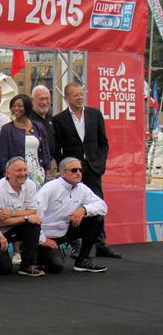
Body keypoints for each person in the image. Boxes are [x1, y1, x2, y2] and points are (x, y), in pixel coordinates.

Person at [52, 82, 119, 259]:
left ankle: (101, 244)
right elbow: (56, 148)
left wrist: (99, 164)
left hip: (93, 168)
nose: (80, 97)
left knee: (97, 204)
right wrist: (64, 168)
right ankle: (76, 244)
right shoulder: (59, 119)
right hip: (72, 171)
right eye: (76, 95)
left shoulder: (95, 114)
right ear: (67, 98)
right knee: (72, 205)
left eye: (81, 94)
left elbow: (103, 142)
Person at [35, 157, 108, 273]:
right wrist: (42, 238)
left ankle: (82, 260)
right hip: (47, 235)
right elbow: (36, 216)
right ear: (63, 173)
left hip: (66, 231)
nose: (78, 173)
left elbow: (103, 206)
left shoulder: (82, 188)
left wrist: (84, 209)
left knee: (97, 218)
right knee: (56, 267)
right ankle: (37, 255)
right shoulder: (49, 188)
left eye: (80, 170)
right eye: (74, 170)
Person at [0, 157, 44, 277]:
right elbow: (2, 222)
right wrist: (25, 217)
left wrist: (12, 213)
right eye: (18, 170)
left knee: (34, 224)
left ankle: (28, 265)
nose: (23, 173)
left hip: (15, 227)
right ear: (8, 174)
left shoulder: (31, 185)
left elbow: (33, 211)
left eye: (25, 170)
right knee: (4, 268)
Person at [0, 94, 50, 185]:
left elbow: (45, 151)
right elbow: (3, 156)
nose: (16, 109)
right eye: (13, 106)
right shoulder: (7, 129)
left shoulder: (38, 126)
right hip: (17, 173)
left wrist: (47, 170)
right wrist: (6, 175)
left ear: (27, 107)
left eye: (19, 106)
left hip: (37, 172)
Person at [28, 85, 56, 167]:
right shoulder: (27, 121)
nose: (44, 102)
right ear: (32, 100)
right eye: (41, 99)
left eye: (47, 98)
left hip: (52, 165)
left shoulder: (52, 119)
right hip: (34, 165)